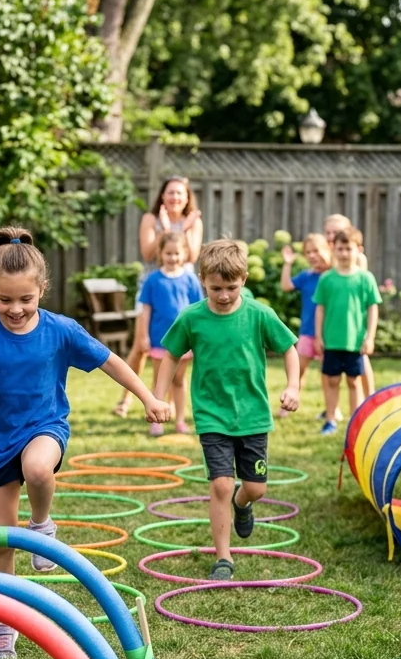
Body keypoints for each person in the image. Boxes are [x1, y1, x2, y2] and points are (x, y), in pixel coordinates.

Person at [0, 226, 170, 659]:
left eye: (26, 299)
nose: (16, 309)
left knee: (39, 469)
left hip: (44, 428)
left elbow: (112, 362)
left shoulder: (61, 330)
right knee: (1, 542)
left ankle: (42, 522)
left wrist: (148, 397)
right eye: (5, 300)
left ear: (42, 289)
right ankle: (3, 628)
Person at [153, 239, 300, 580]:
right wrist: (157, 397)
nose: (222, 295)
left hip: (252, 416)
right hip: (212, 416)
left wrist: (293, 385)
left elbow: (290, 348)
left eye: (231, 288)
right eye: (215, 288)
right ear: (202, 279)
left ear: (244, 280)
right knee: (220, 484)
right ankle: (223, 558)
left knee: (256, 488)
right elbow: (171, 355)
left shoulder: (259, 314)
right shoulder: (192, 317)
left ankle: (242, 502)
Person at [113, 176, 203, 417]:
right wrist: (167, 230)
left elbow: (192, 255)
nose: (175, 197)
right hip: (153, 285)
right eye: (170, 192)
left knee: (177, 350)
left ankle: (170, 405)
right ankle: (126, 399)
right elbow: (148, 252)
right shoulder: (150, 219)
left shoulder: (193, 222)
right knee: (141, 348)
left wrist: (180, 229)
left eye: (180, 194)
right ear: (162, 196)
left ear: (186, 199)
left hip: (182, 288)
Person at [134, 232, 204, 437]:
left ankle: (180, 420)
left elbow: (198, 310)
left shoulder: (190, 280)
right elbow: (145, 310)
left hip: (184, 341)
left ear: (184, 254)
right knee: (159, 380)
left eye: (176, 253)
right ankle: (157, 420)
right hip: (159, 340)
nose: (172, 257)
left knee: (179, 380)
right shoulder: (153, 280)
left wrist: (197, 338)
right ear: (160, 253)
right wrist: (144, 336)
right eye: (168, 253)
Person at [314, 226, 381, 435]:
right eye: (340, 249)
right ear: (334, 249)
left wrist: (370, 337)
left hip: (355, 341)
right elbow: (320, 308)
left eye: (348, 249)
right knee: (332, 380)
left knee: (354, 381)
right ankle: (331, 419)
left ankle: (356, 422)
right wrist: (318, 336)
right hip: (332, 341)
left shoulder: (365, 278)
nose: (344, 254)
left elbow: (372, 309)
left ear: (358, 250)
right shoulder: (327, 279)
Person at [279, 233, 336, 420]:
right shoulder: (306, 276)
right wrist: (287, 263)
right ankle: (289, 402)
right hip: (307, 332)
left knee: (329, 375)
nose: (312, 255)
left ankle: (332, 409)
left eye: (316, 251)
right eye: (308, 252)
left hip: (329, 334)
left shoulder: (333, 276)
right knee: (298, 370)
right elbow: (286, 286)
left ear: (327, 250)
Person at [323, 214, 375, 397]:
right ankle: (331, 412)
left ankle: (369, 401)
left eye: (335, 232)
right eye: (328, 232)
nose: (331, 236)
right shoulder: (327, 261)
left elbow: (368, 302)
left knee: (357, 374)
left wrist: (369, 336)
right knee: (331, 376)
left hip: (353, 333)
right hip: (332, 329)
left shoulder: (360, 267)